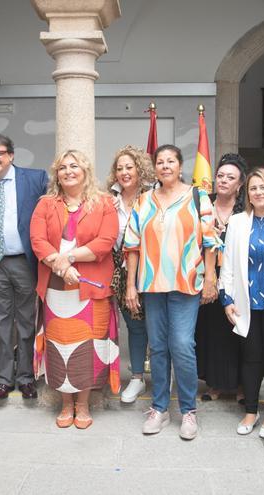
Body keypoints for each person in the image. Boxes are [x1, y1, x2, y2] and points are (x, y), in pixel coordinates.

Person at [124, 144, 218, 440]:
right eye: (160, 162)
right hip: (152, 286)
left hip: (186, 283)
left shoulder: (197, 197)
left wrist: (211, 277)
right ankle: (160, 408)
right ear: (155, 167)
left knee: (182, 345)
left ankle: (188, 411)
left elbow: (210, 241)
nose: (165, 166)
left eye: (171, 161)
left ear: (180, 166)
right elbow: (132, 245)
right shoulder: (143, 200)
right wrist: (130, 285)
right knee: (159, 347)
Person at [30, 150, 119, 429]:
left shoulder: (104, 203)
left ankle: (83, 404)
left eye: (74, 166)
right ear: (56, 174)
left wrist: (69, 258)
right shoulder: (45, 204)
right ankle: (65, 404)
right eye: (63, 167)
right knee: (59, 347)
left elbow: (106, 241)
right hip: (56, 290)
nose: (68, 171)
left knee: (87, 348)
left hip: (91, 288)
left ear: (86, 171)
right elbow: (37, 240)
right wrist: (60, 267)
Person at [0, 134, 48, 400]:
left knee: (27, 320)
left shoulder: (35, 179)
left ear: (11, 155)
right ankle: (4, 379)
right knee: (0, 321)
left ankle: (26, 376)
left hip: (24, 262)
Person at [220, 168, 264, 438]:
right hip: (246, 301)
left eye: (263, 187)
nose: (258, 192)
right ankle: (251, 410)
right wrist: (227, 300)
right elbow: (227, 264)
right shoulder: (237, 222)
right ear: (246, 193)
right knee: (250, 359)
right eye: (253, 188)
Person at [106, 146, 155, 404]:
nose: (124, 172)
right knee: (135, 327)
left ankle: (160, 378)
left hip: (152, 270)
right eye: (119, 168)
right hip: (120, 272)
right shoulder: (109, 198)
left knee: (158, 327)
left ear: (140, 169)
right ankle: (137, 378)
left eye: (129, 167)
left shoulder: (153, 195)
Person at [195, 154, 246, 403]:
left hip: (239, 281)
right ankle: (214, 384)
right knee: (211, 331)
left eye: (230, 178)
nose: (224, 181)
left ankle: (240, 386)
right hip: (207, 278)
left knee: (236, 331)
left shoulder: (246, 209)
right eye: (220, 176)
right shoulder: (203, 206)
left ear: (240, 184)